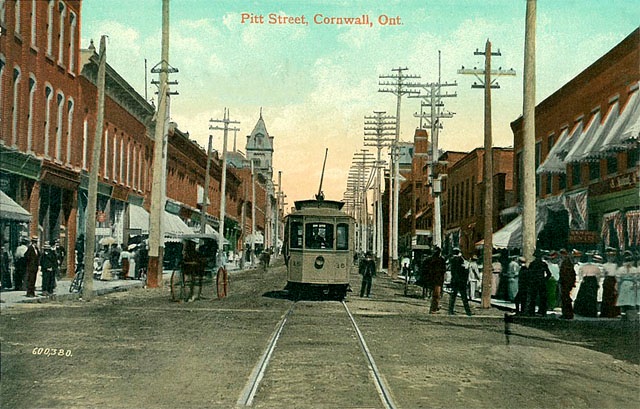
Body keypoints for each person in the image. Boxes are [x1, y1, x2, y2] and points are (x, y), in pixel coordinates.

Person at [573, 253, 602, 317]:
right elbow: (580, 274)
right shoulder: (584, 266)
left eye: (591, 257)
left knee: (591, 297)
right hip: (587, 280)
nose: (590, 258)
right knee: (585, 296)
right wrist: (582, 281)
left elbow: (598, 276)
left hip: (592, 281)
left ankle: (590, 312)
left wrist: (597, 283)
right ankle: (584, 311)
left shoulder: (596, 267)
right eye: (589, 257)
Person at [526, 249, 551, 316]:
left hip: (534, 282)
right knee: (542, 297)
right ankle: (542, 311)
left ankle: (532, 311)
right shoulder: (543, 264)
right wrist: (544, 280)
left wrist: (530, 281)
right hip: (541, 282)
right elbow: (549, 274)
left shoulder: (532, 264)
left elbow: (528, 274)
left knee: (533, 297)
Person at [448, 248, 473, 316]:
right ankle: (468, 311)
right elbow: (463, 270)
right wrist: (466, 269)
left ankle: (450, 310)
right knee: (464, 297)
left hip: (454, 280)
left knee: (453, 296)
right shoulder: (459, 259)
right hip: (461, 281)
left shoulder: (452, 260)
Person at [616, 250, 639, 321]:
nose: (629, 263)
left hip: (629, 285)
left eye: (630, 261)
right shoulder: (622, 269)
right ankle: (623, 315)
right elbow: (618, 278)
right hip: (624, 284)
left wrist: (635, 284)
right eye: (627, 261)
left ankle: (632, 315)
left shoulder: (634, 269)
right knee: (623, 300)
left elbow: (636, 278)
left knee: (631, 300)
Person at [600, 248, 620, 318]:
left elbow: (617, 274)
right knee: (606, 296)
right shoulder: (604, 265)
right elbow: (602, 274)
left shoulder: (615, 265)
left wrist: (617, 282)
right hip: (607, 280)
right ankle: (605, 312)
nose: (610, 258)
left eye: (612, 257)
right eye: (609, 257)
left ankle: (613, 312)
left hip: (613, 280)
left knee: (613, 296)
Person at [559, 248, 576, 319]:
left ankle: (567, 313)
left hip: (565, 283)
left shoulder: (566, 262)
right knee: (566, 298)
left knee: (565, 298)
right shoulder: (568, 262)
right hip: (567, 282)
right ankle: (567, 313)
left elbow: (566, 274)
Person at [429, 248, 446, 314]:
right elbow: (443, 270)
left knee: (436, 295)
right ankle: (433, 309)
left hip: (435, 279)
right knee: (437, 295)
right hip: (437, 279)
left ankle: (435, 307)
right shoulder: (440, 260)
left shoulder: (431, 260)